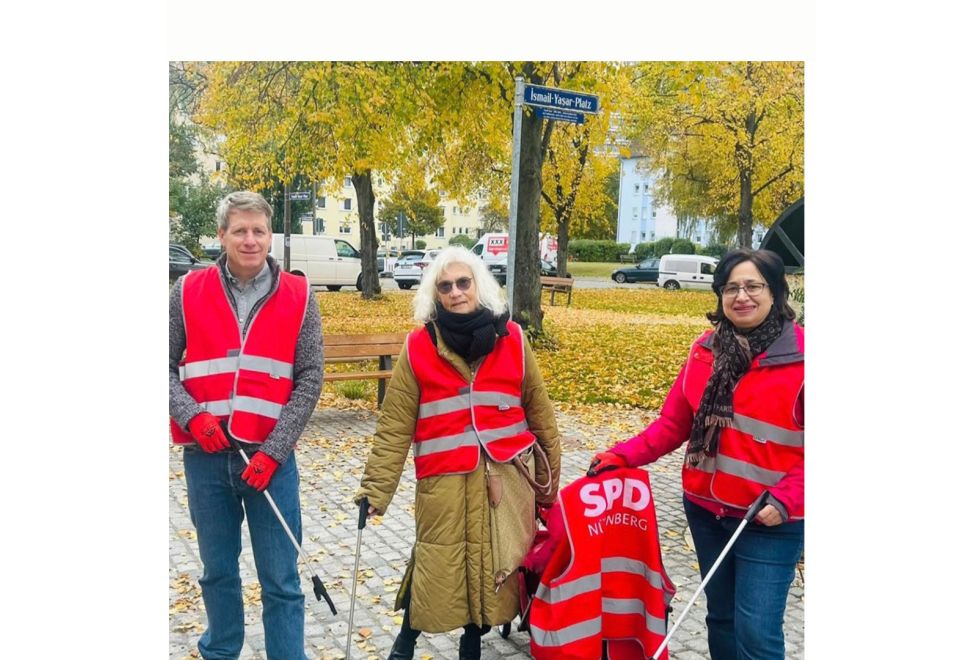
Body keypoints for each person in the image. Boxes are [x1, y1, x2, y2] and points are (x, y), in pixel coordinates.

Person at [588, 248, 804, 660]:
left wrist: (788, 499)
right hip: (706, 512)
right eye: (731, 288)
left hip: (769, 519)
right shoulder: (705, 351)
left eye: (753, 286)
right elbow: (673, 424)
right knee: (721, 618)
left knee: (757, 632)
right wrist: (622, 456)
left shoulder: (803, 360)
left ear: (776, 292)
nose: (742, 296)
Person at [355, 246, 562, 660]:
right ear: (435, 294)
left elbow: (541, 418)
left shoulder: (513, 340)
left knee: (490, 568)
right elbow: (395, 424)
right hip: (443, 483)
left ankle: (472, 645)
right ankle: (405, 643)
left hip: (505, 483)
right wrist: (376, 490)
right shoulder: (418, 347)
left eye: (463, 282)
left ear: (478, 285)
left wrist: (548, 490)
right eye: (445, 286)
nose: (455, 292)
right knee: (436, 566)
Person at [169, 191, 323, 660]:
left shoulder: (299, 295)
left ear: (270, 235)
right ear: (222, 235)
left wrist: (274, 451)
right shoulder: (186, 291)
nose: (250, 240)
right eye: (240, 231)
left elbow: (310, 376)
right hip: (207, 460)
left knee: (281, 579)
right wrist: (192, 415)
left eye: (258, 230)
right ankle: (220, 651)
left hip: (271, 462)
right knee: (218, 573)